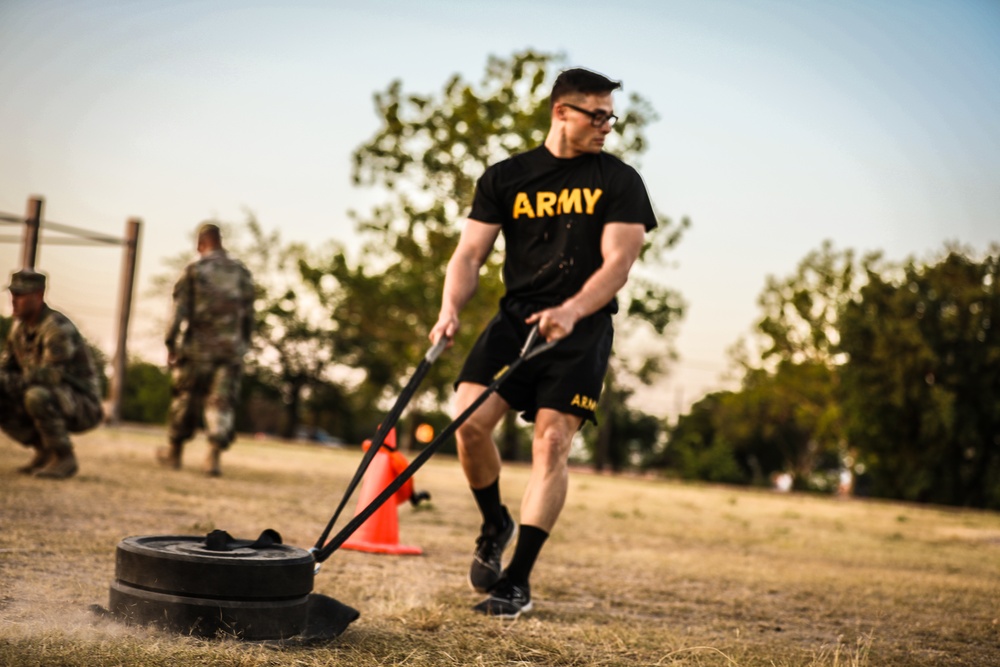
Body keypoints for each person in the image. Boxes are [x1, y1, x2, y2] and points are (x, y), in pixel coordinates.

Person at [429, 68, 658, 618]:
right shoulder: (506, 177)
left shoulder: (619, 179)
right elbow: (469, 255)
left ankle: (517, 580)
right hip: (515, 321)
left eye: (611, 116)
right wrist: (449, 310)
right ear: (561, 112)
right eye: (596, 115)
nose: (607, 126)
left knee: (551, 443)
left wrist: (573, 310)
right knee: (468, 424)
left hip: (582, 329)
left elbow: (619, 263)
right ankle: (494, 523)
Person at [161, 223, 255, 476]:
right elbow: (248, 316)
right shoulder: (240, 273)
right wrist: (243, 345)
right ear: (220, 242)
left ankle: (174, 451)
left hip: (196, 350)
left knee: (185, 399)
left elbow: (178, 311)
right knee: (221, 403)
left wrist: (171, 343)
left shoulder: (195, 270)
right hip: (230, 352)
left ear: (200, 244)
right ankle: (212, 457)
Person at [0, 269, 103, 479]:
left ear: (38, 295)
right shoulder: (18, 329)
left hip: (82, 404)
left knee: (37, 396)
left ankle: (63, 456)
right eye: (13, 294)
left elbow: (49, 376)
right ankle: (44, 450)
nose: (14, 300)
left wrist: (6, 380)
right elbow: (7, 368)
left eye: (20, 295)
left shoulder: (56, 328)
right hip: (49, 394)